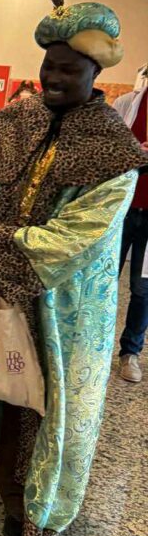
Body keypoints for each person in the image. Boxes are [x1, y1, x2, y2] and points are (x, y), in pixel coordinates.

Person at [0, 0, 148, 536]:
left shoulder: (115, 153)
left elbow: (78, 236)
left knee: (40, 403)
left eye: (68, 71)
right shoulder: (11, 121)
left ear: (94, 76)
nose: (54, 79)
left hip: (61, 304)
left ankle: (29, 505)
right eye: (48, 68)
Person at [112, 73, 148, 383]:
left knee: (143, 288)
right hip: (120, 209)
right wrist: (135, 153)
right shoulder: (125, 104)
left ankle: (130, 352)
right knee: (103, 280)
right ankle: (89, 344)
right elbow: (105, 153)